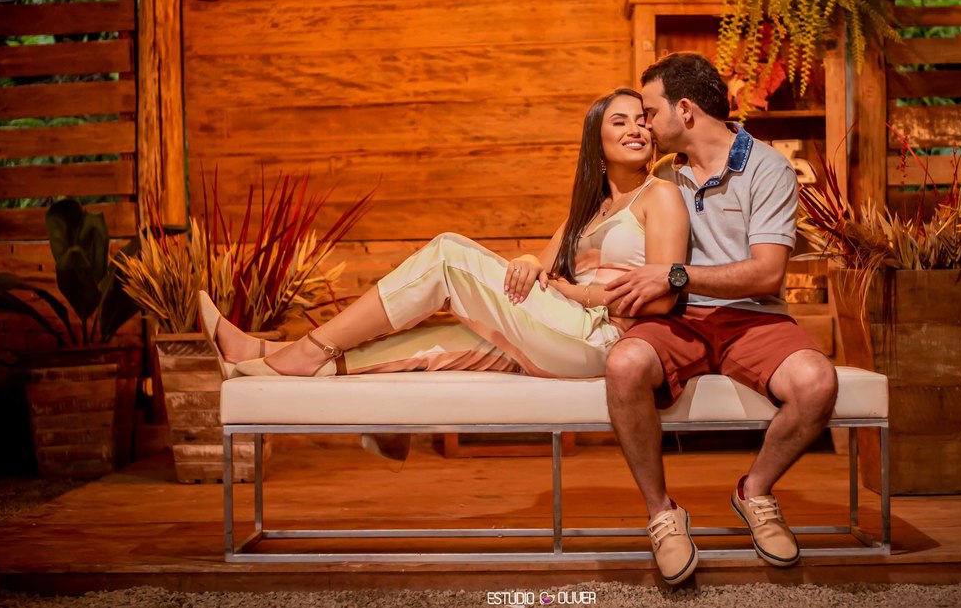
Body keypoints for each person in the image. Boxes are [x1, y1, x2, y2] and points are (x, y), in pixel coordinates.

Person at [201, 88, 690, 390]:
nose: (636, 129)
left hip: (605, 339)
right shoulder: (585, 213)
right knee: (437, 342)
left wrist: (576, 293)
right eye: (619, 121)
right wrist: (526, 259)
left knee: (449, 254)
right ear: (596, 144)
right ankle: (267, 356)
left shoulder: (659, 196)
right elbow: (540, 272)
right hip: (561, 327)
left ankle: (310, 349)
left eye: (641, 121)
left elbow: (663, 298)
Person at [601, 53, 839, 585]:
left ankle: (755, 492)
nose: (644, 125)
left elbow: (767, 274)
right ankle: (662, 514)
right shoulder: (664, 175)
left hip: (751, 317)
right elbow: (599, 225)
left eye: (650, 111)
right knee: (624, 364)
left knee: (817, 382)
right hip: (680, 318)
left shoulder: (768, 168)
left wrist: (675, 275)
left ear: (684, 110)